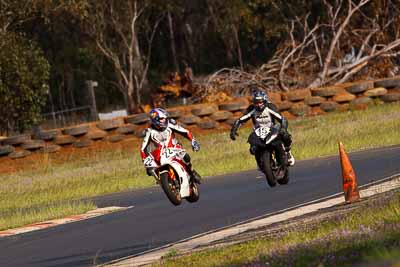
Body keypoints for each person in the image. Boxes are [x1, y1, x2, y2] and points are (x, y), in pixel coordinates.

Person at [230, 89, 295, 166]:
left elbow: (282, 119)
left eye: (260, 102)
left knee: (285, 135)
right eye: (256, 102)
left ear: (264, 101)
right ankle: (260, 161)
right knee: (252, 148)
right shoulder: (252, 109)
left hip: (272, 128)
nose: (258, 105)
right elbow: (240, 120)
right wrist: (233, 130)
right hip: (258, 130)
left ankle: (288, 152)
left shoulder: (270, 106)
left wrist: (283, 129)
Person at [140, 108, 202, 183]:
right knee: (151, 168)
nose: (164, 120)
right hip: (161, 153)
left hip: (175, 148)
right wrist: (145, 161)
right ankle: (161, 179)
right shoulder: (149, 131)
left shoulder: (170, 124)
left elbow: (185, 132)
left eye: (165, 118)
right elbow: (143, 148)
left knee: (186, 157)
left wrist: (193, 141)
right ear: (155, 120)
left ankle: (192, 172)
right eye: (162, 119)